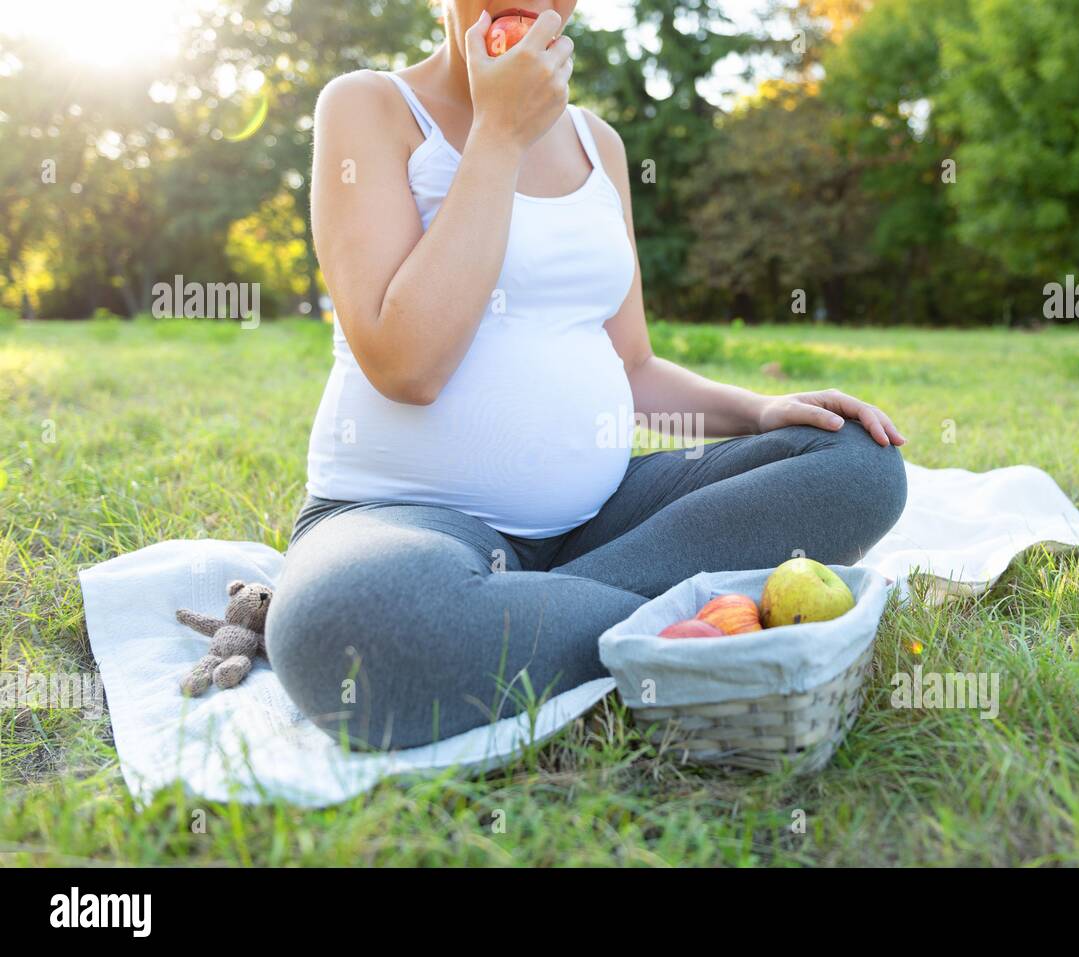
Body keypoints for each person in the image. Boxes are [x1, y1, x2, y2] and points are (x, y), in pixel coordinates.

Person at [265, 2, 908, 750]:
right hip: (405, 521)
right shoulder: (369, 106)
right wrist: (499, 134)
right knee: (355, 629)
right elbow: (406, 365)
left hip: (598, 526)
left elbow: (633, 365)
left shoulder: (599, 143)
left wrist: (761, 412)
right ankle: (684, 621)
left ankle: (538, 616)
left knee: (857, 464)